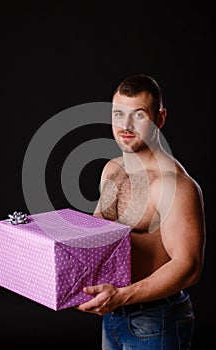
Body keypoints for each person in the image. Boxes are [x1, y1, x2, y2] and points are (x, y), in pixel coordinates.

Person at [76, 74, 206, 349]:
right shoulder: (112, 170)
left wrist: (122, 296)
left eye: (138, 115)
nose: (125, 125)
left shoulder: (174, 186)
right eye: (118, 114)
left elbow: (189, 266)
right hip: (113, 313)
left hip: (156, 318)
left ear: (160, 119)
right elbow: (100, 235)